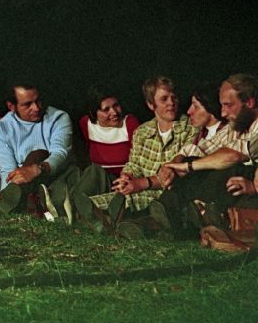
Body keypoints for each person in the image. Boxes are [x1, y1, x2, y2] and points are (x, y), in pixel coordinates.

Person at [80, 76, 193, 235]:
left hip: (168, 193)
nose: (171, 103)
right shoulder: (143, 131)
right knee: (96, 202)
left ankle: (119, 223)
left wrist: (141, 183)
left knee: (142, 206)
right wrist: (127, 176)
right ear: (150, 104)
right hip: (140, 190)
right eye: (164, 99)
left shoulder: (189, 128)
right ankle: (107, 220)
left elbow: (178, 172)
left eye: (174, 97)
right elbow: (134, 164)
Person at [152, 74, 258, 233]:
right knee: (197, 161)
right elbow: (201, 149)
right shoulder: (239, 125)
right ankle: (163, 217)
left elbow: (234, 154)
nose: (223, 113)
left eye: (228, 105)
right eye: (222, 106)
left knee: (229, 169)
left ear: (249, 102)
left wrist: (188, 166)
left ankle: (179, 219)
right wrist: (174, 165)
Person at [0, 81, 75, 217]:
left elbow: (60, 153)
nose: (36, 108)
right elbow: (7, 168)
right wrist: (5, 192)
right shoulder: (2, 126)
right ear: (11, 106)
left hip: (49, 175)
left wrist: (37, 169)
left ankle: (12, 207)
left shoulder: (58, 118)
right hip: (18, 181)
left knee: (38, 154)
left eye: (38, 101)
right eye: (27, 104)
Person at [77, 89, 140, 178]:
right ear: (94, 113)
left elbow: (140, 158)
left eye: (116, 106)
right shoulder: (86, 123)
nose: (114, 112)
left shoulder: (130, 123)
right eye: (106, 109)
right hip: (99, 178)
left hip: (127, 178)